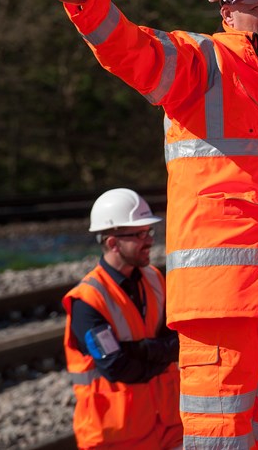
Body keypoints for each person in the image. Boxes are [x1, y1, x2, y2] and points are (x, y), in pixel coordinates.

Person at [37, 0, 258, 449]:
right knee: (219, 437)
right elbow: (133, 50)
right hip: (224, 297)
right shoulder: (201, 62)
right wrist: (88, 4)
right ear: (226, 11)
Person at [63, 189, 182, 450]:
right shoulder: (87, 300)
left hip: (167, 426)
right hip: (115, 437)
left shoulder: (154, 279)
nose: (149, 240)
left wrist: (140, 351)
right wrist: (160, 357)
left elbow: (177, 342)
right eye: (140, 234)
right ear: (113, 243)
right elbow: (116, 366)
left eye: (149, 232)